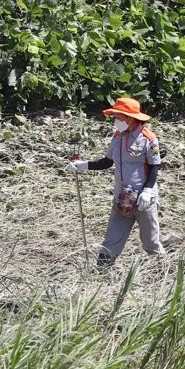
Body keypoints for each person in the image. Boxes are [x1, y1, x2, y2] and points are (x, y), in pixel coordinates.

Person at [68, 97, 165, 265]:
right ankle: (100, 274)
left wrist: (148, 190)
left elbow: (155, 166)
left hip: (144, 199)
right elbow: (107, 162)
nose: (115, 120)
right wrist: (83, 165)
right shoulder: (118, 136)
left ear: (130, 118)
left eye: (118, 117)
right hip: (124, 197)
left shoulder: (148, 138)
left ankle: (163, 269)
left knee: (150, 241)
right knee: (111, 241)